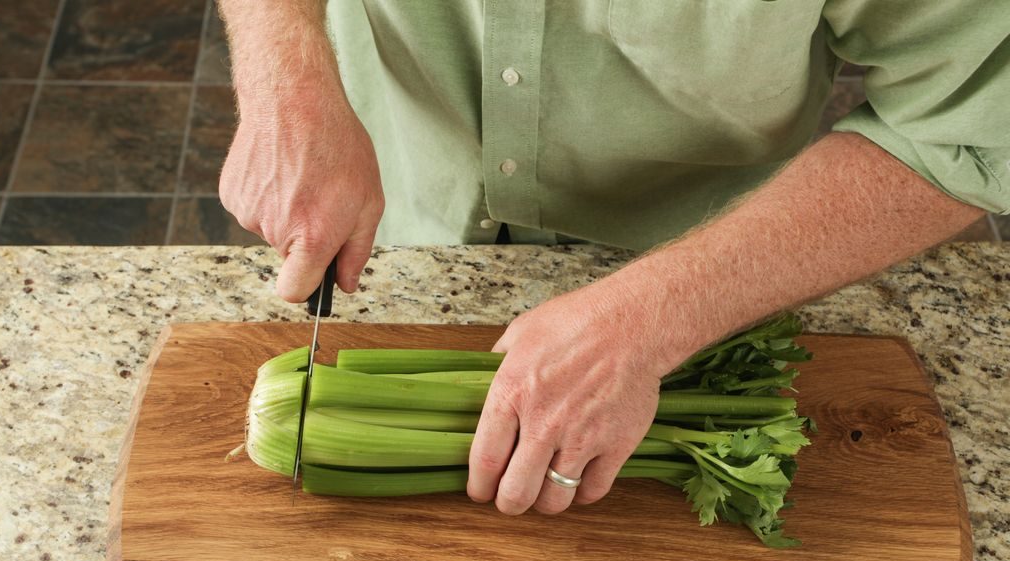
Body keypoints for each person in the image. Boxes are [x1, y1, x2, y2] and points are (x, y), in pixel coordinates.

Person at [217, 2, 1008, 517]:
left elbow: (978, 121)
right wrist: (282, 73)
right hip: (403, 202)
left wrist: (664, 311)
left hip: (718, 257)